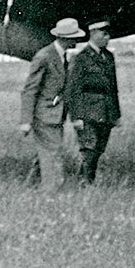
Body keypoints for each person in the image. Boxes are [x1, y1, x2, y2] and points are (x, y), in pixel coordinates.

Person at [20, 18, 86, 189]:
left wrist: (74, 117)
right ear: (65, 38)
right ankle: (52, 191)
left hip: (56, 115)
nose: (77, 41)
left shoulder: (63, 56)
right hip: (44, 115)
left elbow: (67, 91)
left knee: (46, 152)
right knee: (53, 152)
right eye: (74, 37)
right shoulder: (44, 56)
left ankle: (31, 187)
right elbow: (30, 89)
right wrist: (25, 121)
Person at [65, 20, 121, 184]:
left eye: (108, 34)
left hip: (106, 111)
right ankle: (86, 183)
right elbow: (73, 90)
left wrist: (116, 114)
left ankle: (85, 179)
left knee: (98, 149)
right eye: (104, 34)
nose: (107, 37)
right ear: (94, 33)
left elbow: (113, 87)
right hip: (87, 111)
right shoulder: (81, 58)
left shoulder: (108, 57)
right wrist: (76, 117)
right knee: (89, 148)